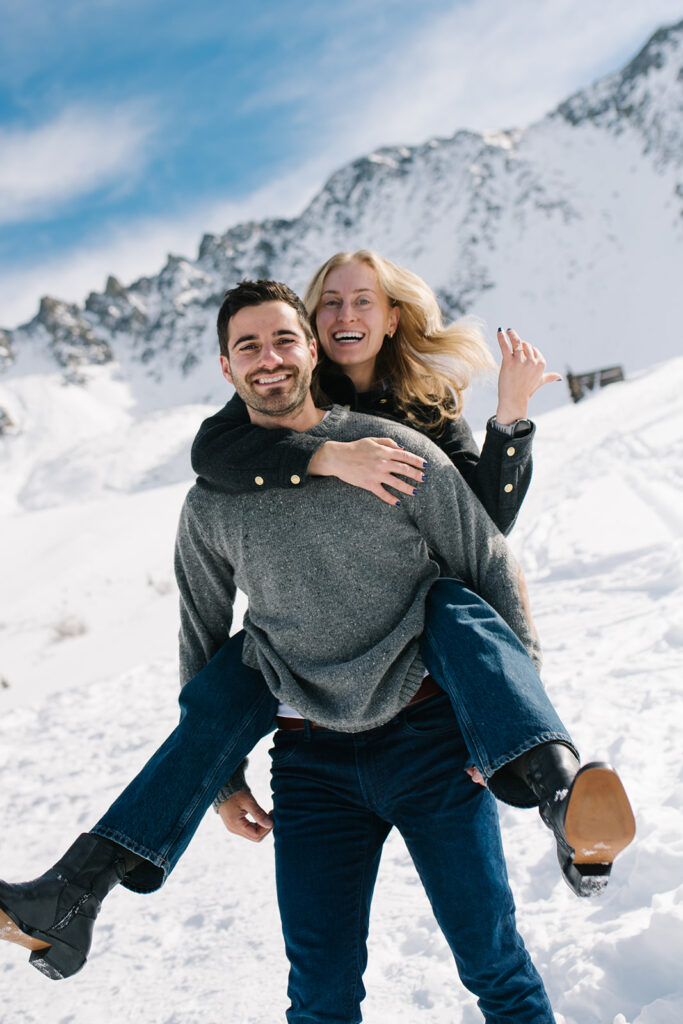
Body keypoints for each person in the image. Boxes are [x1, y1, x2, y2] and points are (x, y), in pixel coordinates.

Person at [0, 271, 634, 994]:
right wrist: (221, 780)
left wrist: (496, 732)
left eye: (282, 339)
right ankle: (77, 891)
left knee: (495, 967)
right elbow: (201, 642)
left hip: (426, 736)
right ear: (225, 366)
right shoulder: (214, 501)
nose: (267, 358)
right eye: (248, 346)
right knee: (318, 990)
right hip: (310, 764)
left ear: (310, 351)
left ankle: (554, 789)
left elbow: (487, 566)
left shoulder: (393, 447)